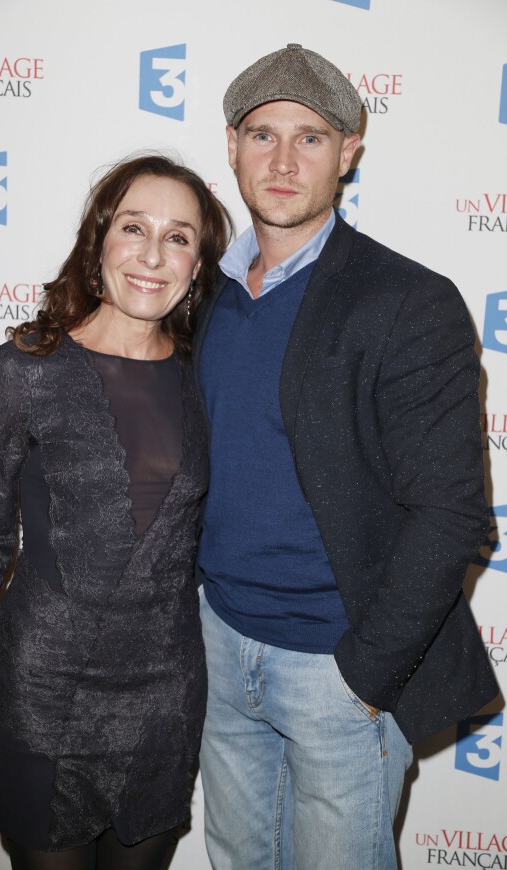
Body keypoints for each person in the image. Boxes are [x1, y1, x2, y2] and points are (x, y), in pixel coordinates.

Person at [193, 44, 499, 870]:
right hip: (219, 650)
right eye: (263, 135)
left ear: (348, 153)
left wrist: (363, 675)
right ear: (230, 145)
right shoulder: (201, 292)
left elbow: (453, 513)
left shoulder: (406, 300)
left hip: (336, 667)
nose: (284, 160)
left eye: (312, 137)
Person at [0, 154, 231, 870]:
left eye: (179, 237)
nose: (153, 255)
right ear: (98, 240)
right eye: (134, 227)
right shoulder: (26, 368)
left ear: (196, 265)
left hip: (164, 700)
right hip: (43, 691)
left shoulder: (208, 376)